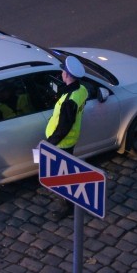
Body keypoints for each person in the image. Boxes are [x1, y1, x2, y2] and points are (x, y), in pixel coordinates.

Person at [44, 56, 89, 219]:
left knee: (62, 177)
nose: (61, 73)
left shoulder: (69, 101)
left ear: (67, 75)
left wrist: (49, 144)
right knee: (65, 174)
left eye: (63, 72)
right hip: (70, 140)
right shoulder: (82, 90)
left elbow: (64, 127)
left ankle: (67, 206)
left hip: (62, 143)